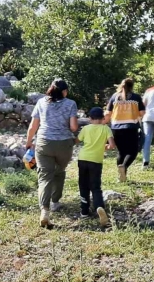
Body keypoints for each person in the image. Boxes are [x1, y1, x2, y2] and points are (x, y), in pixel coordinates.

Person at [25, 79, 78, 228]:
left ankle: (45, 211)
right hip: (64, 144)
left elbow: (33, 126)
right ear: (64, 91)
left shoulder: (41, 102)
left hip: (44, 143)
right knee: (59, 172)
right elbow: (73, 127)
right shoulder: (70, 104)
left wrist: (29, 142)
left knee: (44, 176)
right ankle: (55, 202)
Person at [76, 107, 115, 227]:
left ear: (90, 118)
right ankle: (99, 207)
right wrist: (105, 147)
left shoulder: (86, 128)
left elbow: (77, 141)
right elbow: (112, 145)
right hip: (96, 161)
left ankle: (84, 211)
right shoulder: (106, 129)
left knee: (83, 185)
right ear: (103, 118)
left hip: (83, 159)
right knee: (96, 186)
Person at [105, 78, 145, 183]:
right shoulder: (136, 97)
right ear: (132, 86)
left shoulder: (114, 97)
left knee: (121, 152)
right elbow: (142, 113)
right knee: (133, 151)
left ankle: (121, 177)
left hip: (116, 128)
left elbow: (108, 113)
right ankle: (124, 166)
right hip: (131, 127)